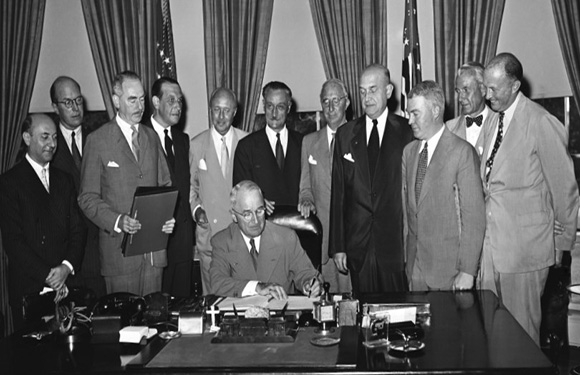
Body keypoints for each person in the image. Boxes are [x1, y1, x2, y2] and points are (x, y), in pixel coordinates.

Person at [479, 52, 579, 345]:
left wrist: (561, 245)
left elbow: (565, 189)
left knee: (520, 340)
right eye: (485, 87)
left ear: (514, 86)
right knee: (492, 334)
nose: (486, 95)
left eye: (493, 88)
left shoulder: (540, 121)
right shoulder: (492, 121)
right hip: (491, 250)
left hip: (524, 252)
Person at [78, 71, 175, 296]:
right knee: (125, 327)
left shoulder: (152, 138)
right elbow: (86, 198)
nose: (139, 106)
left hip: (153, 255)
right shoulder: (98, 140)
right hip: (119, 256)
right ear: (115, 100)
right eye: (132, 99)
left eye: (142, 99)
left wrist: (166, 217)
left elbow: (165, 185)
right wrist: (118, 220)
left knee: (153, 326)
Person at [329, 64, 414, 295]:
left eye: (373, 90)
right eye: (362, 91)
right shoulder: (345, 134)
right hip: (359, 247)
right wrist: (338, 246)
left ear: (388, 91)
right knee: (364, 318)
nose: (367, 98)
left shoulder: (408, 132)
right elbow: (339, 194)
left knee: (399, 315)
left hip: (396, 245)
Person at [0, 114, 85, 330]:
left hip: (65, 288)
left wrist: (65, 268)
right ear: (27, 138)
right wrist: (48, 276)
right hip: (30, 291)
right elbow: (13, 242)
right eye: (45, 137)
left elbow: (78, 230)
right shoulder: (9, 183)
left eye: (55, 137)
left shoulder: (64, 179)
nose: (52, 144)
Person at [402, 80, 485, 291]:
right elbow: (408, 213)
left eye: (415, 113)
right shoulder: (409, 153)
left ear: (436, 110)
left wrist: (467, 271)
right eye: (408, 113)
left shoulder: (462, 152)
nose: (409, 120)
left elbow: (473, 218)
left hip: (449, 271)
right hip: (415, 269)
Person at [210, 180, 321, 299]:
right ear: (234, 215)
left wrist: (309, 284)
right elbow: (218, 283)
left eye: (259, 211)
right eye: (247, 214)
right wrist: (257, 287)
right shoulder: (222, 242)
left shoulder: (286, 237)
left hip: (278, 313)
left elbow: (306, 272)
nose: (256, 221)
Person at [49, 76, 106, 298]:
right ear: (55, 107)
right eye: (68, 102)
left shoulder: (99, 135)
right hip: (65, 255)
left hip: (99, 250)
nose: (75, 108)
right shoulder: (48, 145)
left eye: (79, 100)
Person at [190, 87, 248, 295]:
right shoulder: (196, 145)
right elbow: (191, 188)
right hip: (210, 237)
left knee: (241, 297)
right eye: (216, 110)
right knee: (213, 298)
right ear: (210, 110)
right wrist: (196, 210)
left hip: (240, 234)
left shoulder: (247, 141)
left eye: (226, 110)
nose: (221, 116)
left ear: (235, 112)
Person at [298, 78, 352, 293]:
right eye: (325, 101)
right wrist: (306, 198)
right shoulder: (309, 142)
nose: (330, 107)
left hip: (351, 241)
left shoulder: (360, 137)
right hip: (322, 242)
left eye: (336, 100)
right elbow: (305, 186)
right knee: (326, 307)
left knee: (352, 304)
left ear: (347, 102)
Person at [146, 77, 195, 298]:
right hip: (156, 240)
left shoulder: (182, 140)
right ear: (156, 102)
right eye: (171, 99)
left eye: (180, 101)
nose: (178, 106)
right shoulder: (141, 135)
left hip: (183, 240)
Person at [233, 81, 303, 213]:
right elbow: (240, 191)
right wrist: (257, 200)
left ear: (289, 108)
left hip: (297, 223)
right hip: (262, 225)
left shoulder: (303, 143)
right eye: (270, 106)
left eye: (280, 107)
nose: (274, 113)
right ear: (263, 106)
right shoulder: (246, 147)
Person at [445, 62, 497, 157]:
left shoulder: (500, 124)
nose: (460, 98)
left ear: (482, 90)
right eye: (458, 91)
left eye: (466, 90)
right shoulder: (449, 129)